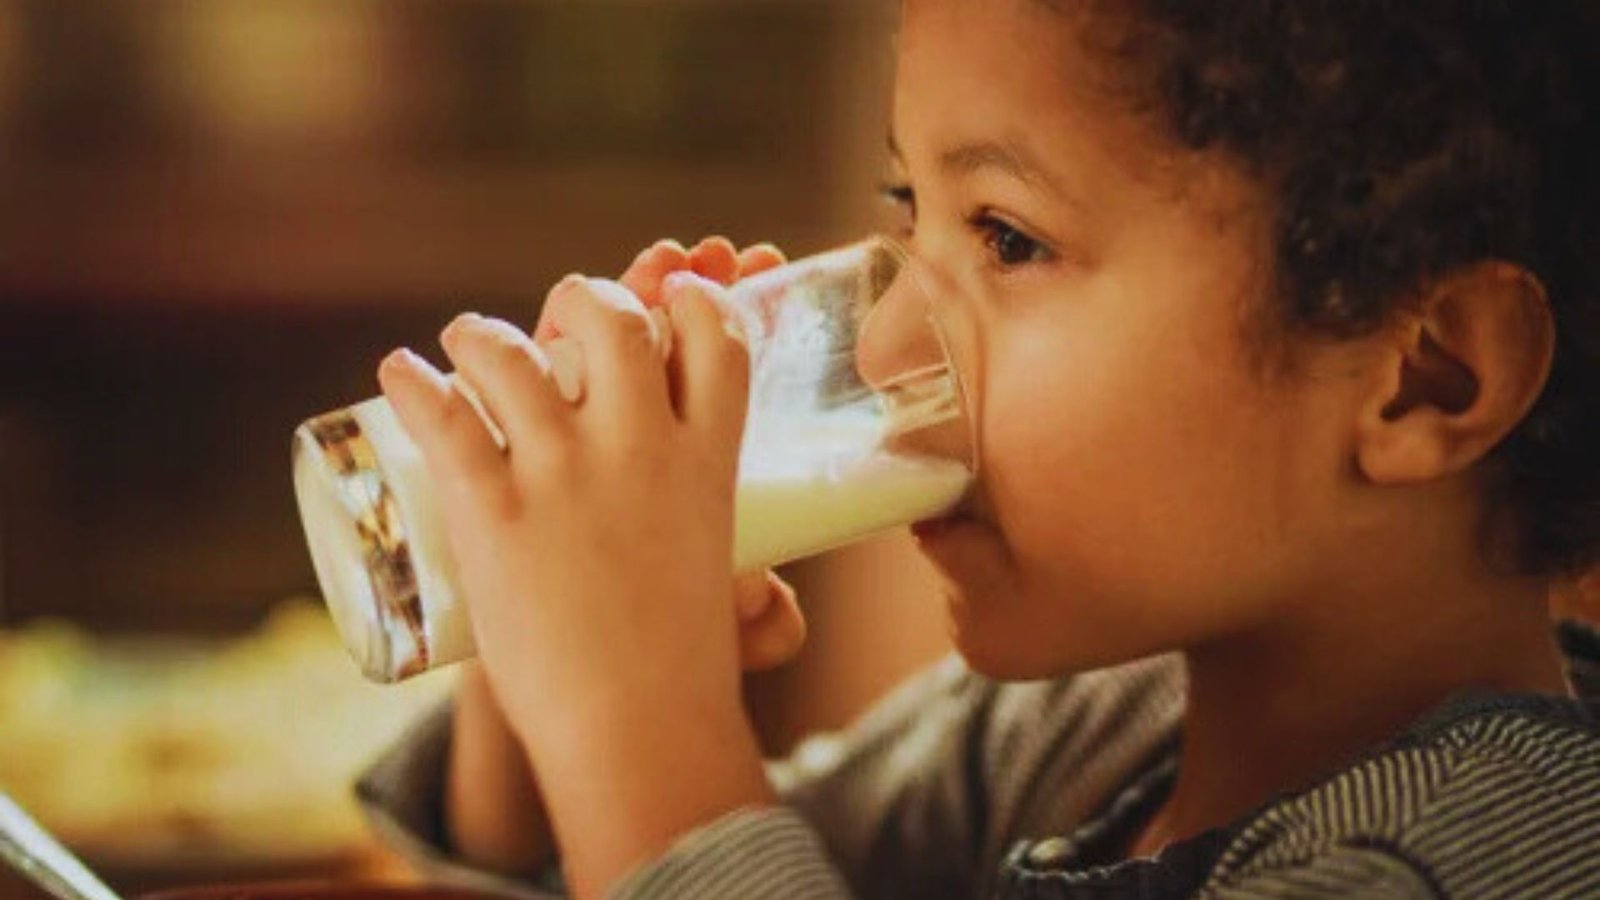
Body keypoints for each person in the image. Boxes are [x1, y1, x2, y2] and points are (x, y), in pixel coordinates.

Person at [357, 1, 1600, 897]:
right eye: (910, 211)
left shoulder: (1464, 860)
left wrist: (635, 714)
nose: (891, 337)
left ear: (1424, 377)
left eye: (1006, 239)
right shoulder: (1088, 731)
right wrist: (542, 661)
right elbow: (626, 861)